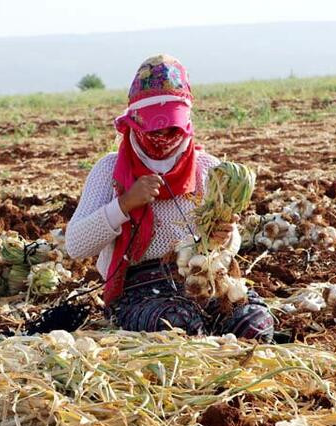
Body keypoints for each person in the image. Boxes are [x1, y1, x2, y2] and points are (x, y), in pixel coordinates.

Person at [65, 55, 273, 342]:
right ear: (134, 123)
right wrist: (124, 204)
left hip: (206, 279)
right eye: (153, 130)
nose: (163, 136)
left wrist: (224, 236)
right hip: (141, 290)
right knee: (175, 326)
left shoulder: (207, 169)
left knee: (254, 324)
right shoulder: (110, 171)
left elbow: (230, 241)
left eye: (171, 129)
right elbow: (75, 245)